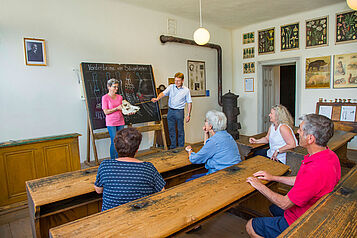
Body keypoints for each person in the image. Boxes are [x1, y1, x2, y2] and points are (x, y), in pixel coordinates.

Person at [245, 114, 341, 238]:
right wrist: (273, 177)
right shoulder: (330, 155)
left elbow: (285, 203)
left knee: (251, 225)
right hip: (315, 209)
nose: (298, 132)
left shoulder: (314, 169)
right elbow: (302, 181)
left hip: (304, 219)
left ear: (310, 138)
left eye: (301, 130)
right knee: (273, 209)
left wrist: (259, 186)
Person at [94, 128, 166, 211]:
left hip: (110, 219)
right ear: (137, 148)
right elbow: (162, 192)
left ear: (115, 147)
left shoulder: (105, 166)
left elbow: (99, 190)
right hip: (141, 219)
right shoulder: (148, 168)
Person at [185, 110, 241, 180]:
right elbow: (207, 147)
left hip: (220, 175)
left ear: (210, 126)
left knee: (188, 180)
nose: (204, 122)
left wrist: (190, 150)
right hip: (234, 171)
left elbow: (194, 159)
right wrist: (206, 133)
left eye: (205, 121)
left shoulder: (214, 141)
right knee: (193, 177)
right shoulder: (227, 135)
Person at [151, 72, 192, 149]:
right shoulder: (171, 87)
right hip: (170, 111)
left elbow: (189, 102)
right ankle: (173, 146)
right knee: (171, 129)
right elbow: (163, 93)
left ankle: (180, 147)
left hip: (179, 111)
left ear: (182, 80)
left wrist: (188, 115)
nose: (176, 82)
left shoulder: (186, 90)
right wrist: (157, 98)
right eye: (175, 80)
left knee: (180, 130)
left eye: (178, 81)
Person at [102, 78, 126, 159]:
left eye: (117, 87)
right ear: (109, 87)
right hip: (111, 123)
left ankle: (120, 158)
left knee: (121, 141)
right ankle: (113, 160)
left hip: (120, 121)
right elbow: (106, 112)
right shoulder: (105, 98)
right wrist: (116, 108)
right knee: (114, 141)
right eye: (114, 87)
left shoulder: (120, 97)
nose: (116, 89)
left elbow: (122, 109)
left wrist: (129, 110)